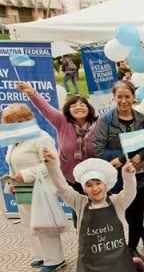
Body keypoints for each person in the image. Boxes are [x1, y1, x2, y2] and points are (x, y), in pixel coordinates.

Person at [44, 151, 144, 272]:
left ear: (106, 185)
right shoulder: (79, 202)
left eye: (98, 183)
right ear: (84, 189)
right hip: (92, 264)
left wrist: (128, 175)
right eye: (89, 185)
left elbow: (130, 192)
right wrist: (52, 165)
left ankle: (135, 266)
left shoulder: (117, 201)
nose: (95, 188)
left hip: (117, 262)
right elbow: (62, 188)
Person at [16, 81, 99, 227]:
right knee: (79, 210)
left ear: (89, 108)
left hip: (95, 176)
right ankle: (83, 239)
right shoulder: (62, 121)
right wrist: (31, 93)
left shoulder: (99, 124)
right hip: (71, 177)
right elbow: (45, 108)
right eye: (74, 105)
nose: (78, 107)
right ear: (68, 110)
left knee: (98, 208)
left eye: (83, 104)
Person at [93, 80, 144, 265]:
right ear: (114, 97)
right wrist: (122, 159)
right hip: (117, 176)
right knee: (122, 211)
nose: (123, 101)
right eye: (119, 97)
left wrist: (142, 156)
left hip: (139, 172)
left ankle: (132, 247)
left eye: (127, 96)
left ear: (133, 97)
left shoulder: (142, 119)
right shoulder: (105, 120)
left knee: (137, 213)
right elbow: (98, 149)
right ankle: (130, 243)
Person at [3, 104, 66, 272]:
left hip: (40, 186)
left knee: (43, 223)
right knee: (28, 223)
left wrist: (26, 174)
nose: (18, 124)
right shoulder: (13, 141)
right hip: (21, 187)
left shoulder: (41, 137)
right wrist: (10, 181)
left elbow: (51, 163)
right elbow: (12, 162)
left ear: (30, 119)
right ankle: (41, 255)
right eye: (13, 122)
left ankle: (55, 259)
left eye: (21, 120)